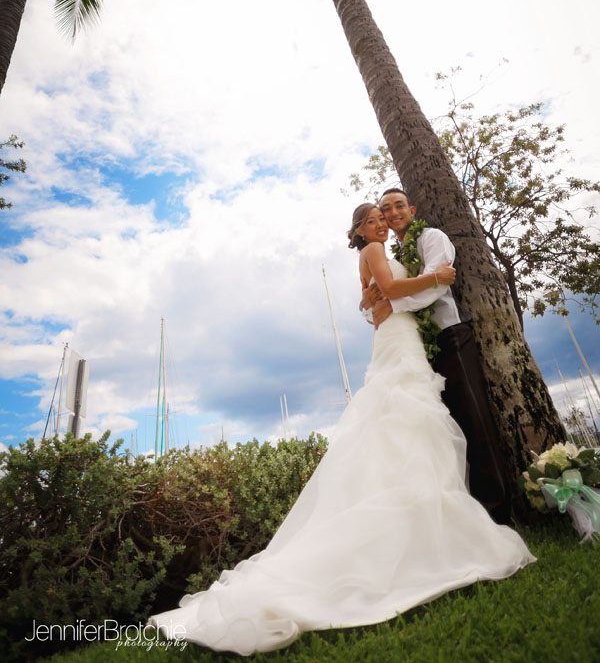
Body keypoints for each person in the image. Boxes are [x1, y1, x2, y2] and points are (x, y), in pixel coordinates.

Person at [148, 203, 534, 655]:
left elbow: (374, 301)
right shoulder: (372, 249)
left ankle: (420, 517)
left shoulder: (380, 250)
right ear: (361, 229)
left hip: (402, 334)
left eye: (383, 218)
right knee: (404, 414)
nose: (380, 224)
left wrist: (378, 297)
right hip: (397, 338)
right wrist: (434, 279)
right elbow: (387, 290)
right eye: (372, 219)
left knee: (408, 419)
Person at [362, 188, 512, 524]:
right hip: (416, 347)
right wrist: (372, 303)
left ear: (412, 209)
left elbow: (438, 284)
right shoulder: (392, 255)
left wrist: (393, 303)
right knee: (445, 425)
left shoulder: (432, 237)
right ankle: (460, 507)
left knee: (473, 420)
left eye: (399, 206)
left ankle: (497, 509)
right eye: (385, 210)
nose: (392, 213)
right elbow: (379, 299)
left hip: (449, 335)